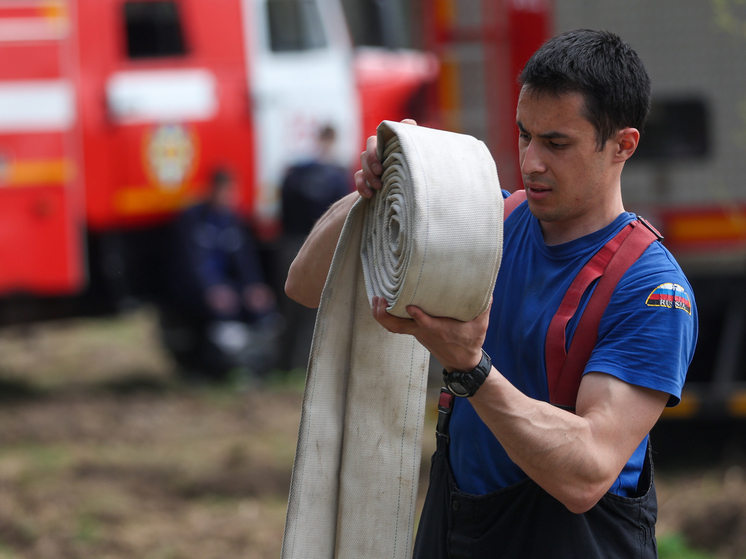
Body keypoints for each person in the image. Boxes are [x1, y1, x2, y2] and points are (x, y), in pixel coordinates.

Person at [285, 29, 698, 557]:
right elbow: (306, 284)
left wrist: (471, 369)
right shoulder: (487, 225)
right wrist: (372, 190)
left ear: (623, 145)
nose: (530, 162)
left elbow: (587, 475)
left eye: (557, 143)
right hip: (458, 532)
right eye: (526, 135)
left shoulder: (650, 289)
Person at [165, 168, 279, 380]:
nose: (228, 197)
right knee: (224, 310)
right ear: (212, 190)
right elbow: (191, 264)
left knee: (262, 308)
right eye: (224, 191)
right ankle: (224, 368)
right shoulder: (192, 220)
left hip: (232, 285)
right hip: (200, 289)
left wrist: (255, 286)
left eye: (231, 192)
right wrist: (210, 289)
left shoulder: (234, 220)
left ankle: (260, 365)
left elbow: (246, 260)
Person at [277, 124, 351, 370]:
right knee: (314, 308)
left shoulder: (295, 173)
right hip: (319, 245)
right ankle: (304, 365)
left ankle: (287, 363)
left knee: (291, 306)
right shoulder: (335, 175)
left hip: (292, 242)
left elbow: (283, 207)